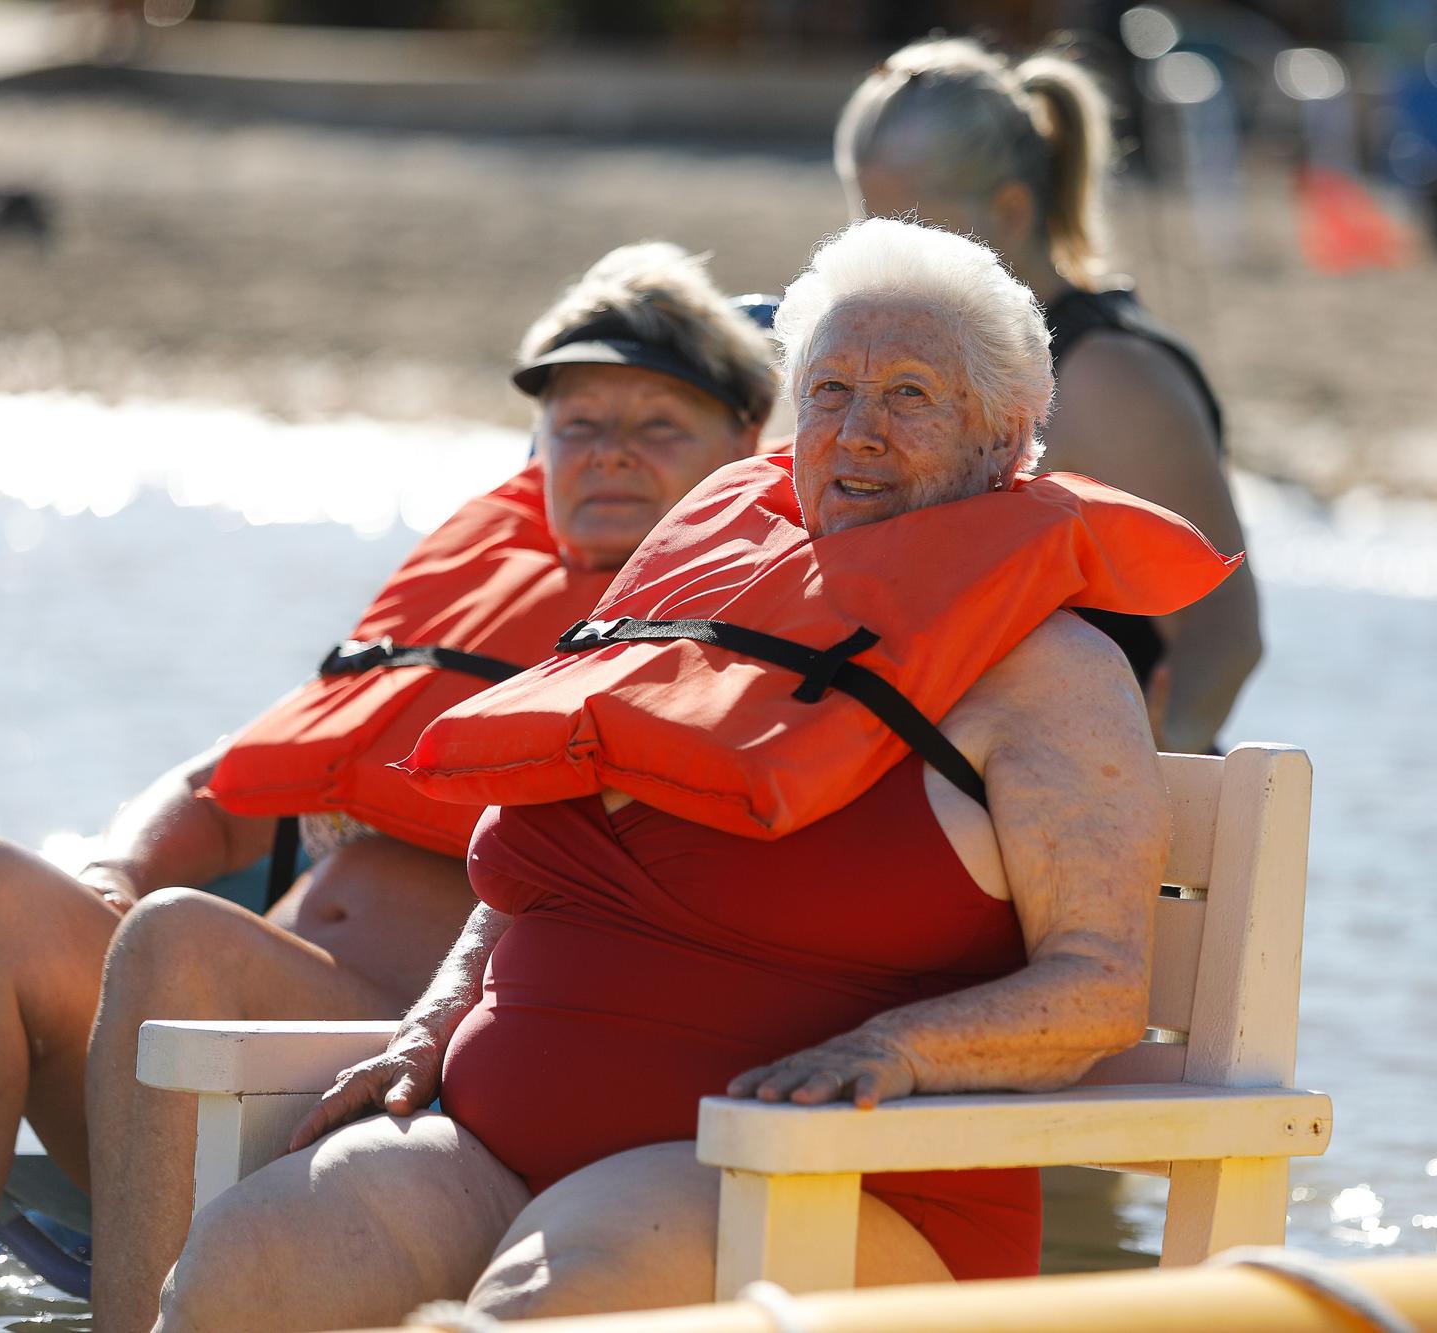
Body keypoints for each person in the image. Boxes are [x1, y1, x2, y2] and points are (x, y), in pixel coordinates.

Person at [149, 217, 1234, 1331]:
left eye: (910, 395)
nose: (857, 431)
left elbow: (1098, 986)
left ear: (1005, 441)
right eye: (827, 392)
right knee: (243, 1266)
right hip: (487, 1141)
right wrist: (431, 1023)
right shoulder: (699, 607)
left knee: (546, 1297)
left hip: (803, 1173)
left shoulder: (1049, 675)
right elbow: (536, 878)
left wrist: (890, 1049)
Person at [0, 242, 776, 1333]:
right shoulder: (469, 583)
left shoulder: (737, 619)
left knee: (181, 941)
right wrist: (114, 868)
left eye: (657, 427)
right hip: (207, 1031)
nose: (609, 456)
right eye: (579, 425)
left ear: (744, 442)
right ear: (538, 445)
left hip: (402, 1077)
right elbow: (232, 779)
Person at [834, 36, 1263, 753]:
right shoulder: (884, 366)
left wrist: (1140, 798)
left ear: (1008, 213)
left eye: (908, 227)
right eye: (862, 222)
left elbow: (1226, 635)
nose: (883, 256)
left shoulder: (1109, 377)